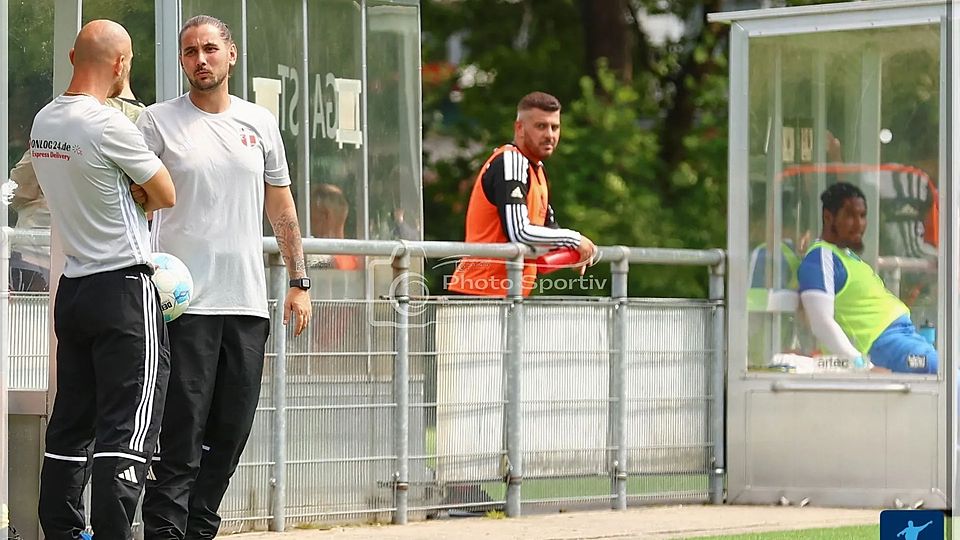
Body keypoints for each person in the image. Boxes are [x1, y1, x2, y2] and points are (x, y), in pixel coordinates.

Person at [136, 15, 311, 539]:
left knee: (230, 435)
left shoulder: (260, 122)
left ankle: (200, 529)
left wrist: (299, 282)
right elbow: (135, 205)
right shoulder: (157, 121)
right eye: (190, 52)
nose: (200, 59)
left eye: (210, 49)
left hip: (246, 304)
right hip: (182, 305)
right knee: (181, 436)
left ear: (231, 55)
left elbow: (280, 206)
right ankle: (165, 531)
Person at [31, 19, 176, 540]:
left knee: (70, 421)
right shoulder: (109, 125)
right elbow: (165, 193)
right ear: (121, 65)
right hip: (124, 286)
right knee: (129, 427)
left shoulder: (44, 121)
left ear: (72, 56)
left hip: (73, 289)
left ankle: (63, 532)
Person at [7, 70, 148, 292]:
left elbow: (17, 190)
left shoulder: (59, 124)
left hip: (39, 250)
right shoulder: (136, 120)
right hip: (103, 258)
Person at [446, 91, 596, 296]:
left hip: (505, 297)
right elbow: (519, 233)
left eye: (555, 127)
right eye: (541, 126)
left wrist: (576, 252)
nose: (550, 135)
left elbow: (550, 231)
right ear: (519, 128)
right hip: (477, 296)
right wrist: (575, 240)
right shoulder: (512, 161)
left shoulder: (537, 170)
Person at [797, 182, 937, 373]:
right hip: (884, 344)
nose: (859, 224)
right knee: (951, 381)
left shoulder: (846, 256)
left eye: (862, 216)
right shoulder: (820, 258)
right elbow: (821, 322)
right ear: (829, 217)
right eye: (850, 216)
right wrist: (863, 367)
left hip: (904, 337)